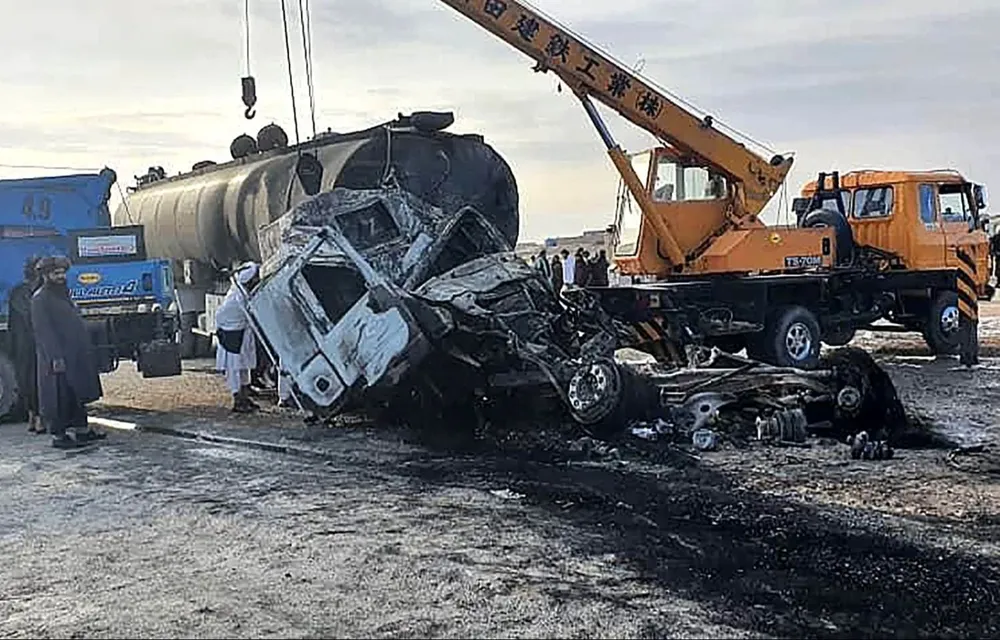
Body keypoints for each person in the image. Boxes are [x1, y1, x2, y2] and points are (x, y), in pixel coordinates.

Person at [31, 256, 106, 448]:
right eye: (56, 273)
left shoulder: (63, 294)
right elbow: (44, 331)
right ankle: (59, 436)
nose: (61, 277)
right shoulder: (40, 298)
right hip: (57, 358)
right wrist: (55, 358)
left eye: (63, 273)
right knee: (59, 397)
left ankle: (82, 431)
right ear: (46, 275)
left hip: (74, 355)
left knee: (76, 393)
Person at [215, 262, 261, 413]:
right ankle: (237, 400)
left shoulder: (240, 291)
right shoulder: (239, 296)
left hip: (243, 333)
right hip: (231, 335)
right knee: (235, 368)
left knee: (244, 367)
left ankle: (245, 397)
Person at [9, 256, 42, 433]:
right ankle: (37, 417)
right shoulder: (38, 292)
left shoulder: (17, 291)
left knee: (27, 380)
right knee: (35, 380)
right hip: (31, 342)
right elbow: (31, 318)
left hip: (22, 343)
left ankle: (33, 416)